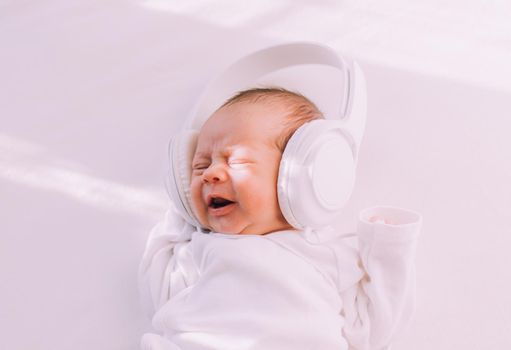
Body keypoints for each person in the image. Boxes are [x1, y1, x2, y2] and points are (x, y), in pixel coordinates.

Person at [138, 87, 422, 350]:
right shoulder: (202, 247)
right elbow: (158, 294)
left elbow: (373, 330)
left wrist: (388, 251)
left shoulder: (327, 253)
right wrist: (180, 212)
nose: (210, 174)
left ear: (299, 177)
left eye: (235, 161)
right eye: (199, 166)